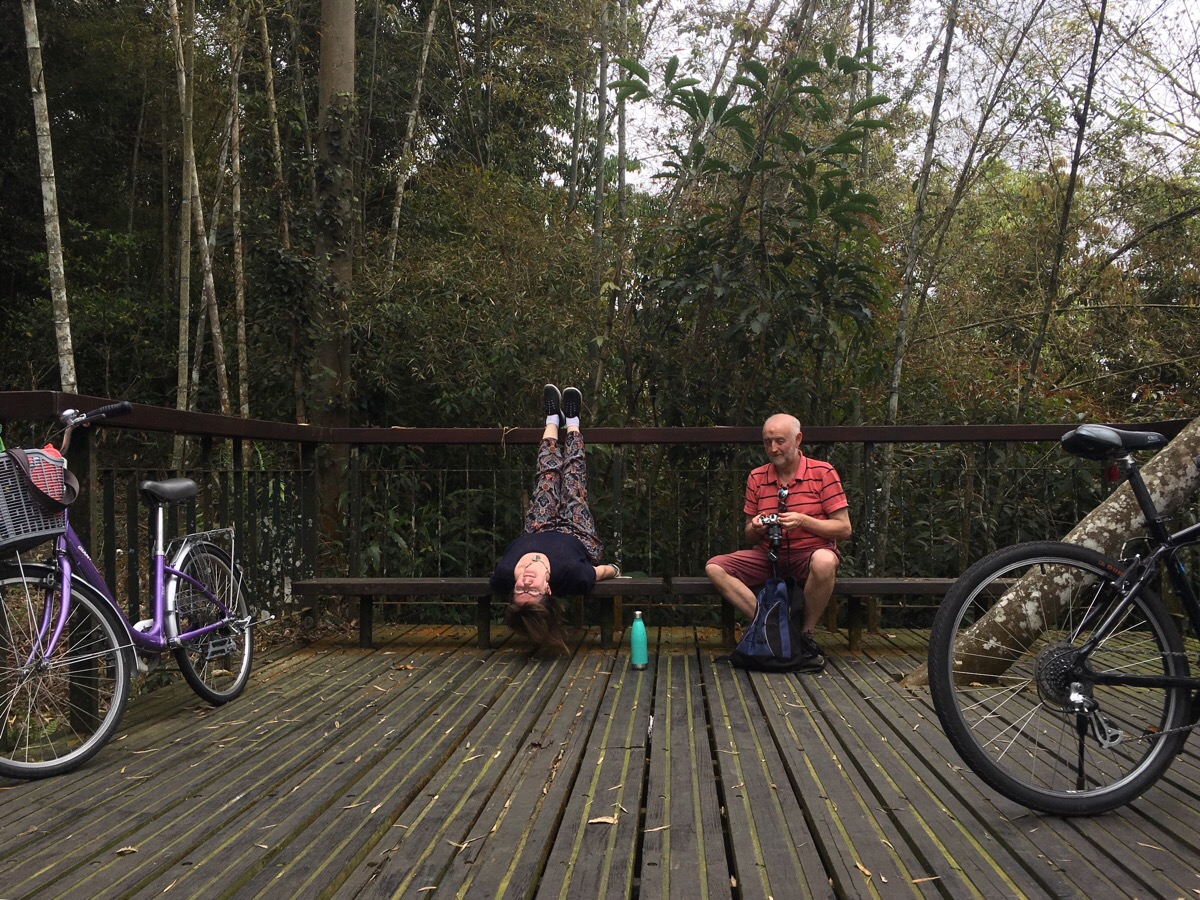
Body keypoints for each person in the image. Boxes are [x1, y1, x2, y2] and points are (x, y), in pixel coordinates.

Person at [705, 413, 851, 671]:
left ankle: (804, 636)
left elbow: (844, 528)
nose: (773, 448)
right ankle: (771, 626)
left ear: (798, 439)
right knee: (715, 567)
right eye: (767, 442)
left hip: (808, 553)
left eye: (780, 441)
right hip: (768, 555)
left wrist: (803, 521)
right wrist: (756, 526)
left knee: (825, 560)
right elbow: (749, 535)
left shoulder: (822, 472)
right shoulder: (757, 477)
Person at [490, 385, 620, 653]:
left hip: (538, 528)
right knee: (573, 477)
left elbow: (507, 583)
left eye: (520, 590)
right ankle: (572, 421)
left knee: (546, 475)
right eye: (532, 590)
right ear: (547, 590)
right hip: (577, 534)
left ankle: (551, 418)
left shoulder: (503, 575)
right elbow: (603, 571)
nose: (526, 584)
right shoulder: (574, 576)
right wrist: (616, 570)